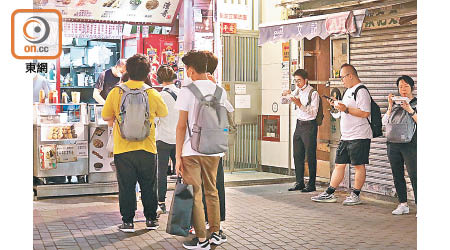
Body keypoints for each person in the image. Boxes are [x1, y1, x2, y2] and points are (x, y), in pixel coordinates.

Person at [102, 54, 168, 233]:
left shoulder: (117, 91)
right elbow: (163, 113)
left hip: (123, 149)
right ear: (148, 72)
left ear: (127, 71)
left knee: (126, 186)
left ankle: (128, 222)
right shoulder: (152, 93)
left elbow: (106, 116)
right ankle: (151, 220)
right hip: (147, 147)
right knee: (149, 185)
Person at [175, 51, 227, 249]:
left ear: (190, 70)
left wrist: (178, 155)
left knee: (196, 194)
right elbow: (226, 118)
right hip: (214, 150)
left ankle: (202, 239)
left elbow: (181, 126)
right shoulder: (219, 91)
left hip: (191, 150)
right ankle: (215, 233)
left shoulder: (187, 91)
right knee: (212, 191)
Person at [189, 51, 234, 240]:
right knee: (215, 188)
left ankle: (202, 228)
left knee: (198, 189)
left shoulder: (192, 89)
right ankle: (216, 226)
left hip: (195, 147)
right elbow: (229, 112)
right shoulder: (218, 90)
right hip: (216, 147)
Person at [312, 63, 372, 205]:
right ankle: (329, 193)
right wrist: (337, 106)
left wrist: (345, 109)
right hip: (346, 136)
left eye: (343, 77)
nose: (342, 81)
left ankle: (356, 195)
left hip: (359, 136)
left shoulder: (361, 91)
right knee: (339, 164)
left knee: (358, 166)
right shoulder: (348, 91)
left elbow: (365, 112)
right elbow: (346, 111)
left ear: (350, 76)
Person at [383, 75, 417, 215]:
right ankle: (403, 203)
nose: (403, 89)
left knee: (415, 175)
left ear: (412, 88)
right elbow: (384, 122)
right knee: (397, 174)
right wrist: (390, 105)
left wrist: (410, 110)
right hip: (393, 144)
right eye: (400, 86)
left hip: (411, 144)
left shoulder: (417, 103)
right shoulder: (395, 104)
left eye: (406, 86)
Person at [282, 69, 320, 192]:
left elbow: (314, 113)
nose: (297, 83)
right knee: (297, 154)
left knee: (310, 155)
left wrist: (300, 105)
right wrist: (284, 94)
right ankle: (299, 182)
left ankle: (311, 184)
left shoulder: (313, 93)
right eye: (295, 81)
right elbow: (284, 102)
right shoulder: (297, 90)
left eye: (299, 80)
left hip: (309, 125)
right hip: (299, 125)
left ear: (305, 80)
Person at [155, 65, 179, 214]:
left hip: (163, 138)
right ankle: (183, 200)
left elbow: (156, 119)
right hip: (179, 139)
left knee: (161, 172)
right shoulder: (182, 93)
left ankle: (161, 203)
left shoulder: (160, 96)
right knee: (182, 172)